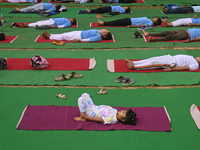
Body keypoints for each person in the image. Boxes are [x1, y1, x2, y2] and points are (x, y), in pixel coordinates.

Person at [124, 55, 200, 71]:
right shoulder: (192, 57)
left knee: (154, 63)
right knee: (152, 58)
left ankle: (135, 67)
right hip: (170, 57)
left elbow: (185, 68)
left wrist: (172, 69)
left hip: (173, 63)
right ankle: (134, 62)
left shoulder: (195, 65)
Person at [42, 29, 112, 42]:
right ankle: (51, 34)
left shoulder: (98, 37)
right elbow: (104, 29)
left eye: (105, 33)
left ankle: (49, 37)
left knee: (64, 37)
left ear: (104, 37)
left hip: (79, 36)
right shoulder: (99, 33)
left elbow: (88, 40)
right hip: (80, 32)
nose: (104, 32)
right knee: (65, 34)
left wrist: (79, 40)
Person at [97, 17, 162, 27]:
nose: (155, 18)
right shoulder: (149, 20)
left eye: (156, 19)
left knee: (116, 23)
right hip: (130, 19)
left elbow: (142, 25)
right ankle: (103, 22)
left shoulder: (150, 23)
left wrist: (131, 26)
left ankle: (102, 23)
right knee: (117, 21)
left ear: (156, 22)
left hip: (130, 23)